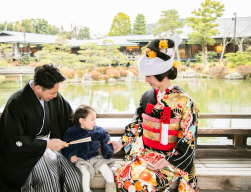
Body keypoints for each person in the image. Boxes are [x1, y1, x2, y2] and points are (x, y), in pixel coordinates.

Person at [114, 36, 199, 192]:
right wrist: (121, 142)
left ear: (162, 73)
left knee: (139, 184)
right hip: (146, 154)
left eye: (149, 76)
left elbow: (189, 136)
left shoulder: (184, 101)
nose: (146, 80)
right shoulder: (147, 97)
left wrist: (169, 160)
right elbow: (136, 125)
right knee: (122, 176)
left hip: (171, 159)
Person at [0, 64, 82, 192]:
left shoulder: (55, 98)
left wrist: (92, 136)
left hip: (50, 147)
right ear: (38, 88)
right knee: (48, 178)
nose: (56, 96)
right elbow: (13, 139)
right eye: (53, 92)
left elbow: (69, 122)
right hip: (22, 152)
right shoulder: (17, 102)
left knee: (74, 175)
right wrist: (47, 144)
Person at [62, 104, 117, 192]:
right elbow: (66, 146)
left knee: (104, 167)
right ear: (81, 120)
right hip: (81, 159)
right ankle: (86, 190)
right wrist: (70, 155)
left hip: (95, 157)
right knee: (85, 173)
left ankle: (111, 186)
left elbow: (105, 137)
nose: (94, 122)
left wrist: (106, 149)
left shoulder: (97, 130)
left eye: (95, 120)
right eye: (92, 120)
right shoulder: (72, 132)